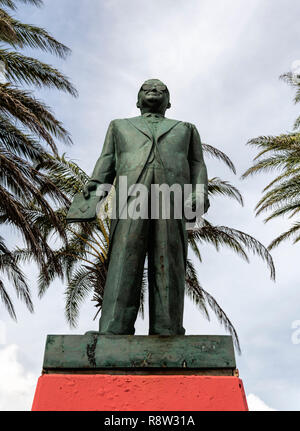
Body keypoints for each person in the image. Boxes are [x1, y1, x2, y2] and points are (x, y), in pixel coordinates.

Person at [67, 79, 209, 335]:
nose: (154, 90)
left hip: (171, 197)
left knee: (170, 261)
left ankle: (168, 328)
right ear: (137, 99)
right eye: (147, 88)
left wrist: (199, 192)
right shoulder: (119, 126)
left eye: (161, 89)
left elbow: (197, 164)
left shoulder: (186, 129)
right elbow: (107, 160)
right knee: (124, 258)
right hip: (130, 197)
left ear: (169, 102)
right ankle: (113, 328)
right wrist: (95, 185)